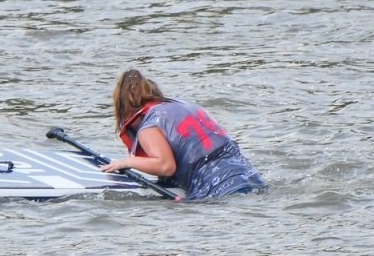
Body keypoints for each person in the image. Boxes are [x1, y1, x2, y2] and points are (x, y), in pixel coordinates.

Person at [100, 69, 264, 200]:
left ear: (124, 110)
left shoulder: (148, 126)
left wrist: (128, 162)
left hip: (221, 190)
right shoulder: (184, 105)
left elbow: (166, 166)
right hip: (251, 177)